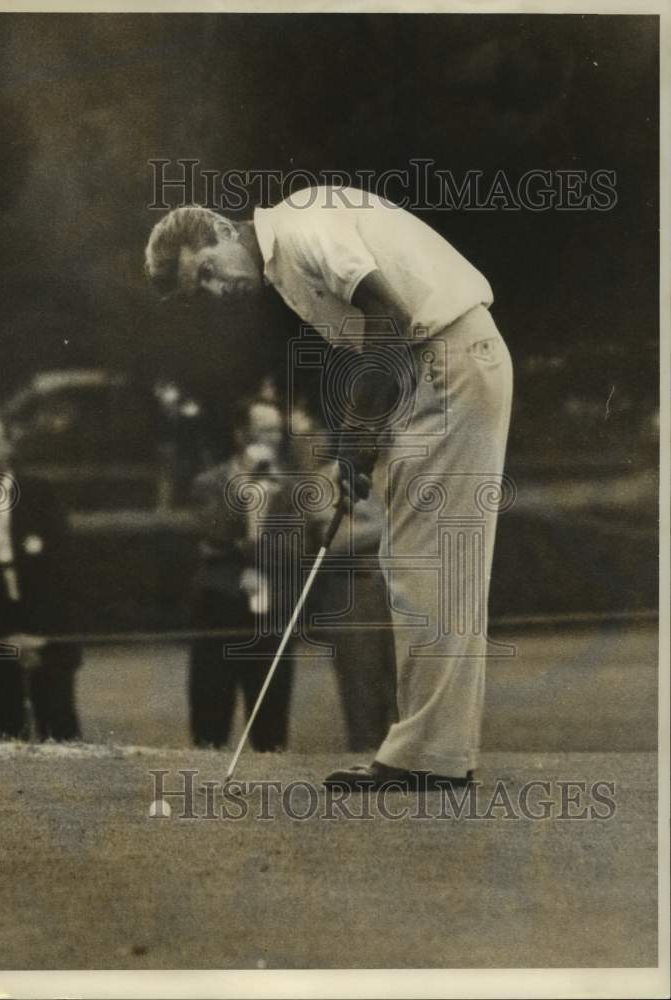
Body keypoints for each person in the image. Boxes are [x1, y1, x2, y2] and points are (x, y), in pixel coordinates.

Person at [145, 186, 513, 789]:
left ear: (219, 230)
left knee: (431, 566)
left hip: (448, 360)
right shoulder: (283, 263)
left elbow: (389, 318)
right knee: (420, 563)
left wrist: (360, 436)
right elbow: (378, 344)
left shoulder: (300, 227)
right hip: (435, 368)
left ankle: (429, 761)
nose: (218, 290)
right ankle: (436, 754)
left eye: (208, 271)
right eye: (202, 291)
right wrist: (354, 444)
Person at [0, 414, 82, 740]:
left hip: (46, 628)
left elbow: (62, 571)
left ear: (9, 447)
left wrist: (41, 637)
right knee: (0, 735)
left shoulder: (40, 493)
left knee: (60, 730)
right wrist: (0, 638)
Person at [188, 397, 295, 751]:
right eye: (265, 429)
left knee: (271, 725)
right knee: (210, 720)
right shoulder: (210, 482)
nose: (274, 438)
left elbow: (294, 550)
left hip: (272, 613)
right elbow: (213, 533)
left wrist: (240, 550)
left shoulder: (291, 488)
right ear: (241, 434)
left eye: (278, 430)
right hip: (220, 609)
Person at [290, 406, 397, 753]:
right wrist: (392, 532)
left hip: (405, 592)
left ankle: (410, 762)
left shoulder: (405, 473)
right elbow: (332, 541)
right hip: (356, 592)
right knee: (361, 684)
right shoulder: (328, 478)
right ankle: (368, 759)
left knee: (407, 685)